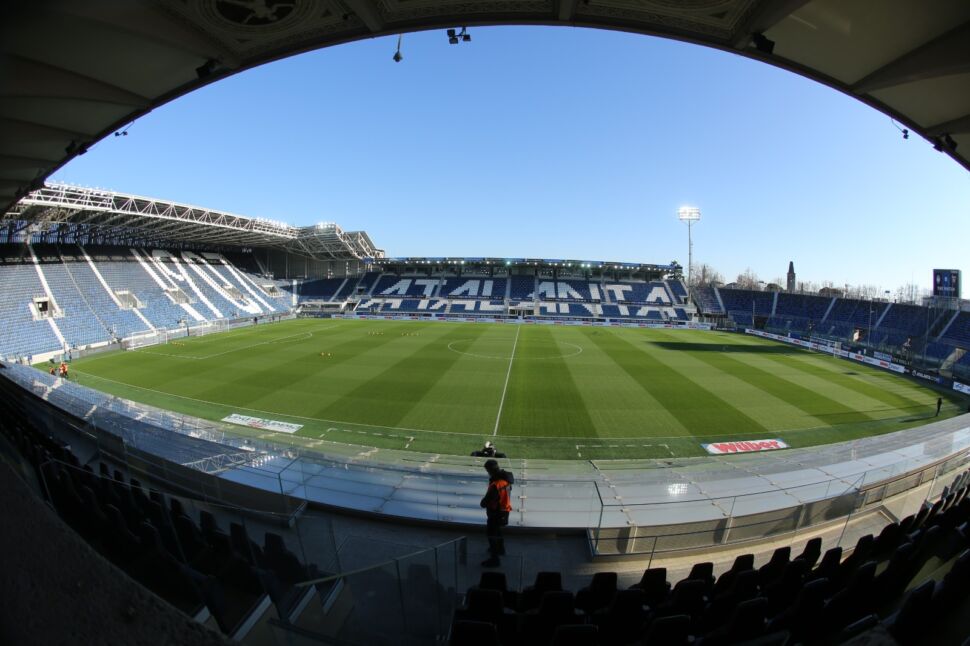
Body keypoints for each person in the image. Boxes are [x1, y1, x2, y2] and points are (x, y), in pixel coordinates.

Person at [480, 459, 513, 568]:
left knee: (492, 535)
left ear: (490, 470)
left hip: (496, 513)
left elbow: (485, 502)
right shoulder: (506, 480)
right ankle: (500, 549)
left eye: (487, 470)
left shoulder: (496, 484)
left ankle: (495, 559)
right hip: (504, 511)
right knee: (498, 531)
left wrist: (483, 502)